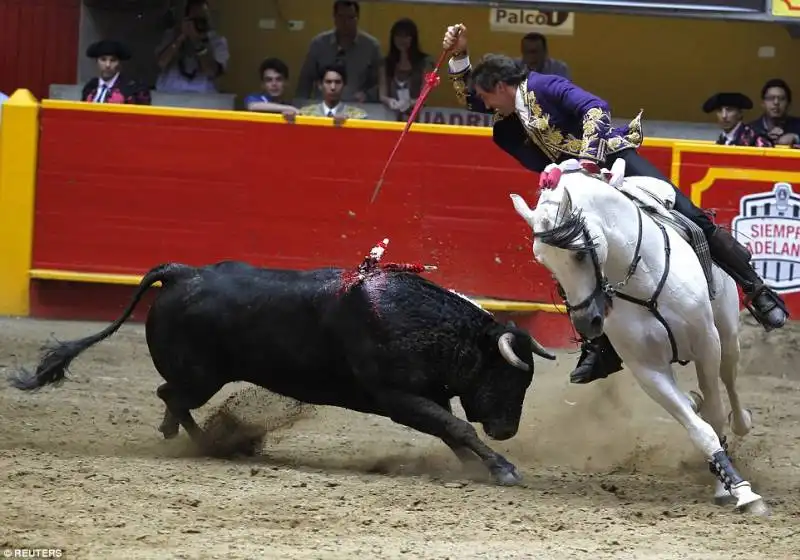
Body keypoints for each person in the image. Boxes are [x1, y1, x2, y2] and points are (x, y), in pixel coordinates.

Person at [441, 23, 788, 385]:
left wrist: (591, 158)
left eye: (486, 96)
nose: (481, 105)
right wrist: (459, 53)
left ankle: (757, 290)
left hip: (610, 158)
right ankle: (599, 346)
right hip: (576, 182)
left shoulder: (545, 86)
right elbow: (469, 96)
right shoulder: (507, 108)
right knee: (569, 252)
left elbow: (594, 108)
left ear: (500, 87)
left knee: (690, 216)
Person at [378, 18, 434, 116]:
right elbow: (382, 95)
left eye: (406, 36)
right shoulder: (385, 63)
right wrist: (390, 101)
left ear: (413, 38)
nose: (401, 40)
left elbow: (426, 95)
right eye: (398, 35)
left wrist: (410, 103)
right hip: (391, 116)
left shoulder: (425, 62)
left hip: (417, 116)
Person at [81, 40, 151, 105]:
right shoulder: (90, 87)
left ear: (119, 63)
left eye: (113, 60)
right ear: (97, 61)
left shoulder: (134, 88)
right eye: (103, 60)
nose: (107, 65)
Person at [702, 92, 771, 147]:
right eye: (720, 110)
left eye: (729, 110)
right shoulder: (722, 139)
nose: (724, 116)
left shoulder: (756, 138)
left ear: (740, 113)